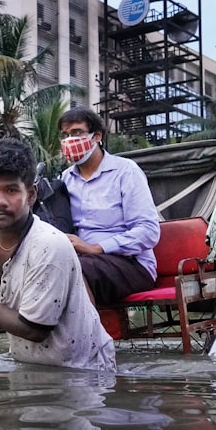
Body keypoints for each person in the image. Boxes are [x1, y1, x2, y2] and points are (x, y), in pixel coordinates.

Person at [0, 137, 116, 371]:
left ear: (31, 195)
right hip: (38, 369)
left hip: (83, 374)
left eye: (11, 190)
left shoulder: (49, 245)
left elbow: (35, 330)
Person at [57, 107, 160, 305]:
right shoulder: (64, 180)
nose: (70, 140)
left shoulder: (125, 171)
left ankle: (88, 334)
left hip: (131, 264)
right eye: (66, 135)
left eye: (77, 133)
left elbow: (148, 231)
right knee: (53, 268)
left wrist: (97, 247)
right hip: (82, 260)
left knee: (74, 270)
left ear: (97, 136)